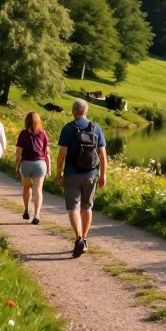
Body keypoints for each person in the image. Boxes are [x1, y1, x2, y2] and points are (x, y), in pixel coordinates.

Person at [56, 99, 107, 258]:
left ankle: (78, 237)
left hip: (72, 174)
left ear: (73, 111)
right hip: (91, 174)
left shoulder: (68, 129)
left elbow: (62, 154)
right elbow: (103, 155)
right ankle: (84, 239)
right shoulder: (96, 128)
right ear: (86, 111)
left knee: (73, 207)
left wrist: (58, 173)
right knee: (87, 207)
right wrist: (103, 174)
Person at [15, 112, 50, 224]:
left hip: (26, 164)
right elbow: (47, 153)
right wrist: (49, 168)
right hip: (40, 164)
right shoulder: (43, 133)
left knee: (26, 188)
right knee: (38, 189)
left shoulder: (23, 133)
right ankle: (37, 214)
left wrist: (16, 165)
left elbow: (18, 152)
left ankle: (26, 210)